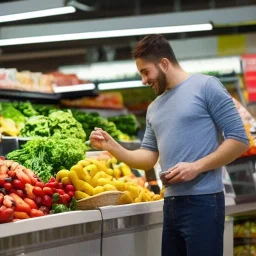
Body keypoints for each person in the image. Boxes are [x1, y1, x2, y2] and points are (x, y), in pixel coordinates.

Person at [89, 34, 249, 256]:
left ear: (164, 63)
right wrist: (113, 147)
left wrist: (196, 167)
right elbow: (148, 157)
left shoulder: (207, 86)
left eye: (146, 72)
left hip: (204, 202)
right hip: (171, 203)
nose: (144, 80)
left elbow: (240, 139)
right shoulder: (154, 108)